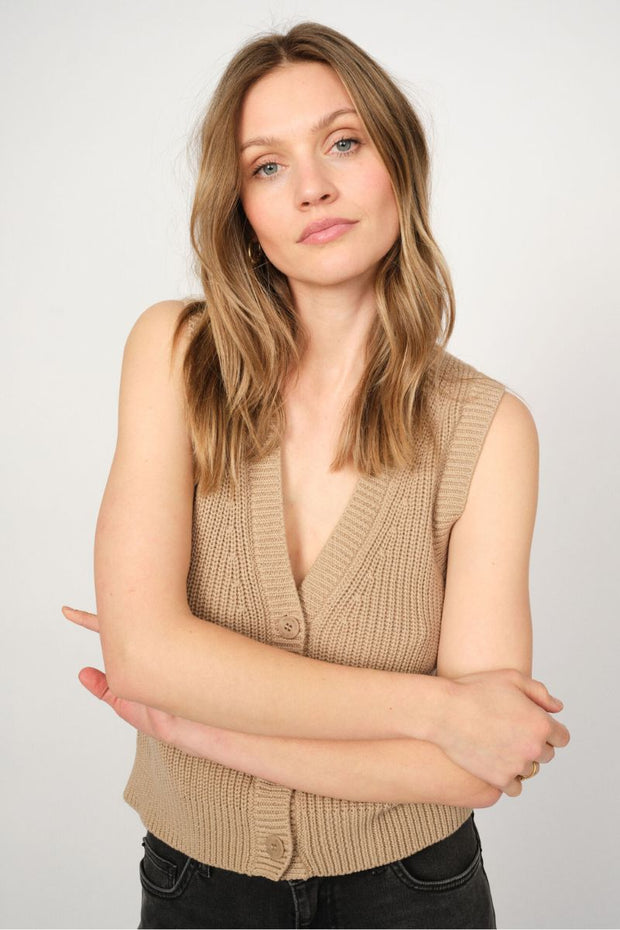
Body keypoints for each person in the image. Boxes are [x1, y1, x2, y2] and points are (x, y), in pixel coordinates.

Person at [63, 21, 570, 930]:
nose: (312, 188)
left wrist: (193, 726)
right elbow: (143, 655)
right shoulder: (175, 356)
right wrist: (436, 710)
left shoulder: (489, 430)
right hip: (195, 891)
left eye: (343, 143)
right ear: (241, 209)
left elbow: (471, 766)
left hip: (416, 893)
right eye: (267, 166)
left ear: (399, 163)